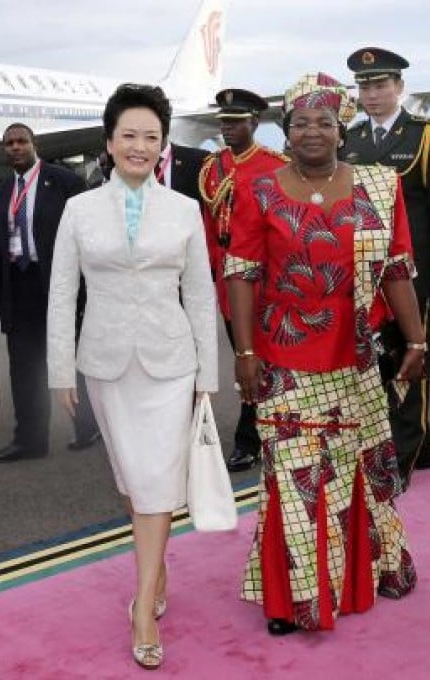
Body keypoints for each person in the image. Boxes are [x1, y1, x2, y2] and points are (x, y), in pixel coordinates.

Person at [227, 73, 421, 636]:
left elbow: (397, 268)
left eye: (325, 122)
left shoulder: (380, 185)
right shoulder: (259, 189)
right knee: (294, 480)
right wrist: (243, 351)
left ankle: (360, 576)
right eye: (301, 123)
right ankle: (295, 599)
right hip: (283, 359)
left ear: (342, 130)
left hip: (355, 359)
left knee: (353, 469)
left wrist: (417, 340)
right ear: (286, 132)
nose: (312, 131)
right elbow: (242, 272)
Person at [47, 83, 218, 670]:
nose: (139, 147)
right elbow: (62, 293)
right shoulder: (79, 210)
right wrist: (60, 370)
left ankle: (142, 606)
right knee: (131, 479)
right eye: (129, 136)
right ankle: (158, 565)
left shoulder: (185, 209)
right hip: (106, 363)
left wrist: (208, 375)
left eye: (151, 137)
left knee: (154, 479)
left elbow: (201, 295)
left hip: (171, 364)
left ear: (163, 144)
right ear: (109, 142)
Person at [342, 47, 430, 486]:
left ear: (399, 87)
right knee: (378, 360)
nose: (372, 94)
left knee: (415, 358)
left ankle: (410, 452)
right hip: (365, 274)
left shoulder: (422, 137)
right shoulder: (351, 140)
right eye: (365, 87)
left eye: (380, 85)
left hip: (416, 270)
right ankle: (381, 444)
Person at [0, 123, 98, 463]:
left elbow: (87, 236)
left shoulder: (64, 182)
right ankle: (30, 440)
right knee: (23, 368)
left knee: (69, 357)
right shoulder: (2, 192)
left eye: (21, 141)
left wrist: (86, 291)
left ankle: (87, 426)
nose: (15, 147)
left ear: (34, 144)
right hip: (18, 287)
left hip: (56, 283)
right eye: (9, 143)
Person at [199, 88, 289, 472]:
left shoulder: (275, 166)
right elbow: (209, 227)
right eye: (224, 122)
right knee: (244, 358)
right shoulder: (213, 167)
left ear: (255, 122)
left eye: (236, 122)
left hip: (265, 283)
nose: (228, 128)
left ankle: (254, 436)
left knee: (270, 358)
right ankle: (255, 433)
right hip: (228, 285)